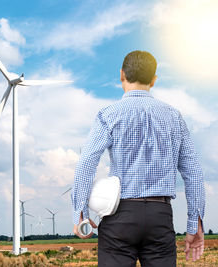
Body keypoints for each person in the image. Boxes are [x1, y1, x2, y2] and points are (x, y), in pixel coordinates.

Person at [71, 50, 205, 266]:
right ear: (154, 80)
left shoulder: (108, 114)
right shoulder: (174, 116)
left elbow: (87, 162)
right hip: (160, 216)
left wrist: (80, 211)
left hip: (118, 216)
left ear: (121, 74)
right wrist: (194, 223)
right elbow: (193, 172)